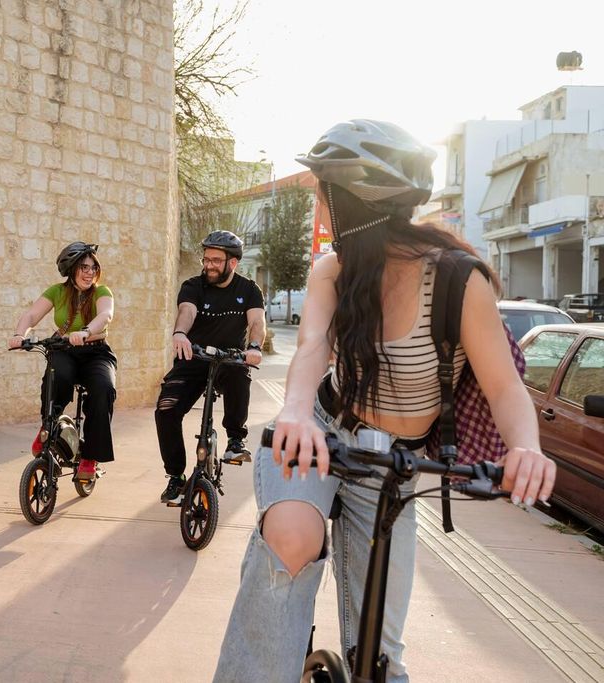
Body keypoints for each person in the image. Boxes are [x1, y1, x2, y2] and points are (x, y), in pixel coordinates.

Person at [213, 120, 556, 682]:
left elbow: (504, 387)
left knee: (380, 656)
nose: (323, 208)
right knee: (292, 538)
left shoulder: (456, 280)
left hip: (395, 460)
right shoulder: (335, 270)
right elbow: (310, 352)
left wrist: (527, 449)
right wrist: (295, 412)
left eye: (327, 194)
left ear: (352, 202)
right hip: (322, 430)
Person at [156, 230, 266, 503]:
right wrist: (180, 333)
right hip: (193, 359)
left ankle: (235, 440)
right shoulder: (194, 285)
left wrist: (253, 348)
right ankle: (175, 476)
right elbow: (187, 311)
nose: (209, 265)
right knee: (165, 410)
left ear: (233, 263)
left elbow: (256, 323)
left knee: (241, 374)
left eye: (216, 260)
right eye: (207, 259)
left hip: (230, 359)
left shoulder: (249, 290)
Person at [8, 241, 116, 480]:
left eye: (93, 268)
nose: (90, 272)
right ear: (71, 269)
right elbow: (32, 314)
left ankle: (90, 456)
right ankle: (48, 426)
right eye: (84, 267)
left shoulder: (101, 292)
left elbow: (106, 315)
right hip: (65, 349)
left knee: (103, 389)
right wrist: (19, 334)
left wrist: (86, 332)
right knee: (58, 377)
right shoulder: (57, 291)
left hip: (96, 352)